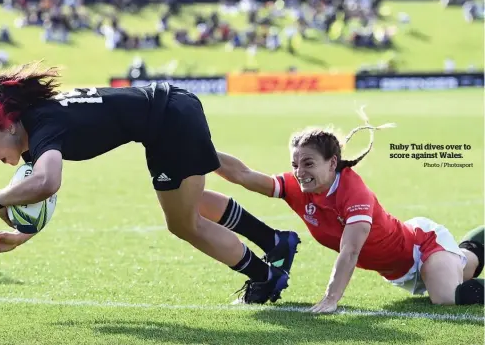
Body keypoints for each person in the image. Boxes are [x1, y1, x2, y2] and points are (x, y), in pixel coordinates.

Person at [0, 62, 299, 304]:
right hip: (170, 111)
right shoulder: (35, 130)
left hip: (169, 122)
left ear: (8, 126)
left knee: (183, 224)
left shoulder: (42, 126)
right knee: (185, 201)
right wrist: (21, 236)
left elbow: (47, 183)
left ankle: (265, 277)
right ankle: (275, 241)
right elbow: (41, 189)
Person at [202, 110, 484, 312]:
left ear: (332, 162)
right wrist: (197, 150)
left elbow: (350, 251)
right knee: (466, 265)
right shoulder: (296, 186)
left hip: (422, 245)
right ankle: (473, 247)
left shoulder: (353, 192)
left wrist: (331, 297)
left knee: (446, 298)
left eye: (309, 163)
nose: (300, 172)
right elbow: (242, 174)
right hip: (398, 269)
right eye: (295, 164)